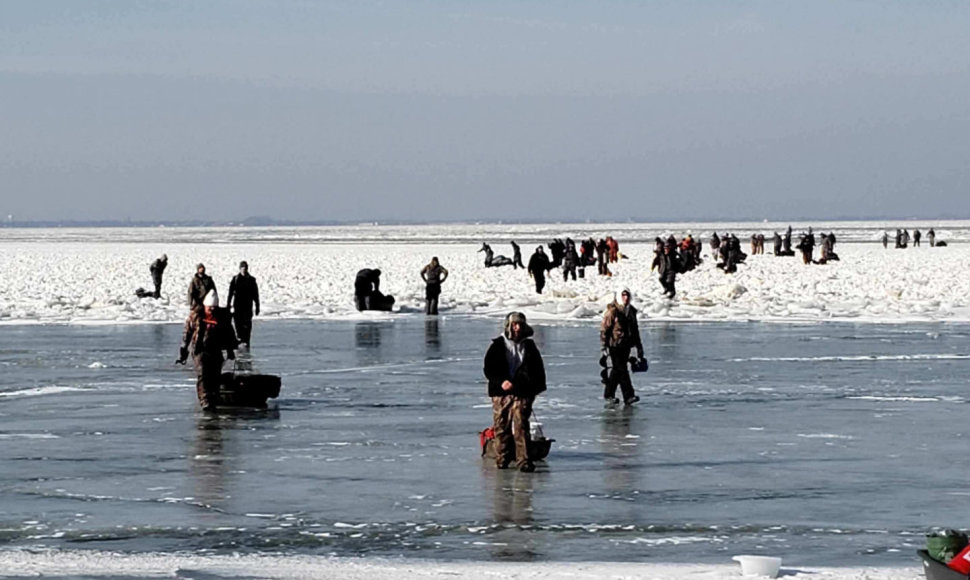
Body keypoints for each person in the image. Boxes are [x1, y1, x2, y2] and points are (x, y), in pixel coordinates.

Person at [483, 312, 546, 472]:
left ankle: (523, 460)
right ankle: (502, 458)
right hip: (501, 393)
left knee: (521, 425)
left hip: (522, 392)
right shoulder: (497, 345)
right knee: (502, 426)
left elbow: (538, 370)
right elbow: (489, 369)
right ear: (509, 326)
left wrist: (535, 390)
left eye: (520, 324)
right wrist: (501, 381)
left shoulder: (529, 346)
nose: (517, 328)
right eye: (514, 324)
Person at [177, 290, 236, 411]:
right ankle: (205, 400)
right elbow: (187, 333)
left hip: (216, 348)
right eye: (210, 308)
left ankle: (213, 398)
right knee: (203, 374)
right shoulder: (196, 316)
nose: (212, 310)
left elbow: (229, 334)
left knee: (215, 375)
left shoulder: (222, 317)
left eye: (214, 307)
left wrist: (230, 351)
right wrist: (183, 350)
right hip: (200, 349)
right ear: (205, 306)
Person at [600, 288, 645, 407]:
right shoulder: (613, 311)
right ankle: (628, 395)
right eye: (623, 295)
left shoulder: (631, 311)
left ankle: (609, 394)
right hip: (614, 345)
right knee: (622, 369)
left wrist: (639, 347)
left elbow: (635, 330)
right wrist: (604, 346)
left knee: (617, 370)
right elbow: (605, 329)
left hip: (626, 345)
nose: (626, 298)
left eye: (628, 295)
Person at [227, 261, 260, 346]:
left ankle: (246, 340)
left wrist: (257, 306)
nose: (244, 270)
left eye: (245, 268)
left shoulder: (251, 280)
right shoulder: (235, 279)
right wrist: (228, 304)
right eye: (242, 268)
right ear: (240, 269)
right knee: (238, 323)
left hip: (247, 306)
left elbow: (255, 294)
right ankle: (240, 337)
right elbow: (230, 293)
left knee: (247, 324)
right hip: (238, 306)